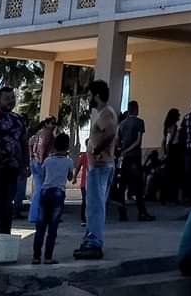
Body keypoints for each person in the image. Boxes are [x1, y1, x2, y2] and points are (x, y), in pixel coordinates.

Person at [75, 79, 117, 260]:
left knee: (95, 206)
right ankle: (90, 239)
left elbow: (110, 133)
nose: (89, 99)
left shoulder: (105, 114)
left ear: (97, 95)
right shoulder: (103, 113)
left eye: (90, 95)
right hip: (99, 166)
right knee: (94, 205)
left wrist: (95, 150)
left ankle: (94, 242)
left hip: (100, 166)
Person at [0, 86, 28, 235]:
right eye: (7, 98)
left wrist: (25, 163)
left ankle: (4, 234)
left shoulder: (19, 119)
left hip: (12, 166)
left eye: (13, 98)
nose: (10, 101)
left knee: (7, 202)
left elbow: (23, 142)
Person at [33, 132, 73, 265]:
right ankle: (48, 257)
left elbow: (43, 175)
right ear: (67, 147)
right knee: (53, 227)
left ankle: (36, 256)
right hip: (58, 193)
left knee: (40, 226)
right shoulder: (68, 161)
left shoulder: (48, 160)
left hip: (45, 192)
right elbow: (70, 177)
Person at [117, 101, 155, 221]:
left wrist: (122, 150)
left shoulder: (122, 124)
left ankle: (122, 213)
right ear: (136, 109)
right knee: (138, 185)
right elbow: (138, 140)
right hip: (134, 156)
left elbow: (118, 140)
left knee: (122, 185)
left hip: (125, 157)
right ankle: (142, 212)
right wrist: (129, 149)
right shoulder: (139, 122)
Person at [28, 117, 57, 224]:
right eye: (52, 123)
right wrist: (40, 159)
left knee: (37, 189)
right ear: (46, 124)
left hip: (33, 162)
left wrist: (32, 156)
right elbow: (43, 145)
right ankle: (38, 215)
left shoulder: (37, 134)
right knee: (42, 189)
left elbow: (30, 144)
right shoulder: (47, 133)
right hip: (41, 162)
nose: (54, 125)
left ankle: (34, 214)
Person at [161, 108, 183, 203]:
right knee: (174, 175)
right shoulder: (174, 127)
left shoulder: (167, 127)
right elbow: (170, 141)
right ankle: (173, 197)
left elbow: (165, 141)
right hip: (174, 151)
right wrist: (168, 152)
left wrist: (165, 152)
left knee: (168, 175)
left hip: (170, 151)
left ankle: (165, 196)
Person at [74, 139, 89, 225]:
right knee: (85, 200)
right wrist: (75, 177)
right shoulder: (84, 156)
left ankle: (87, 217)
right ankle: (83, 218)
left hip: (89, 183)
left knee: (87, 201)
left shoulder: (94, 155)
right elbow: (78, 167)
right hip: (84, 182)